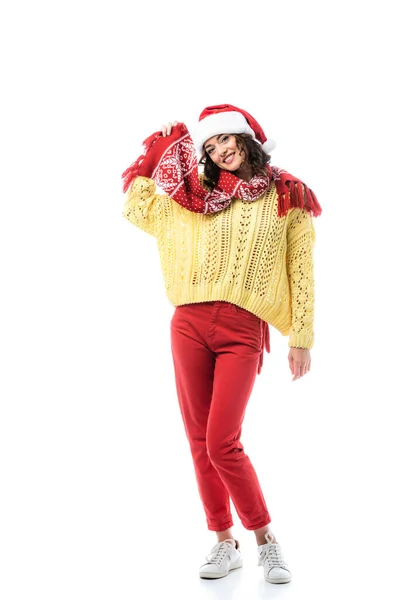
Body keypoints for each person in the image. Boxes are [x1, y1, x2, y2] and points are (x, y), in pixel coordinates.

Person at [121, 104, 321, 584]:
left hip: (243, 330)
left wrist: (302, 336)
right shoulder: (198, 195)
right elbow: (136, 206)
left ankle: (266, 540)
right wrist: (158, 148)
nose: (219, 151)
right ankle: (222, 541)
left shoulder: (286, 195)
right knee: (199, 441)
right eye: (209, 146)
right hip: (188, 323)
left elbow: (301, 267)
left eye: (226, 140)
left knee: (221, 442)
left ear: (245, 138)